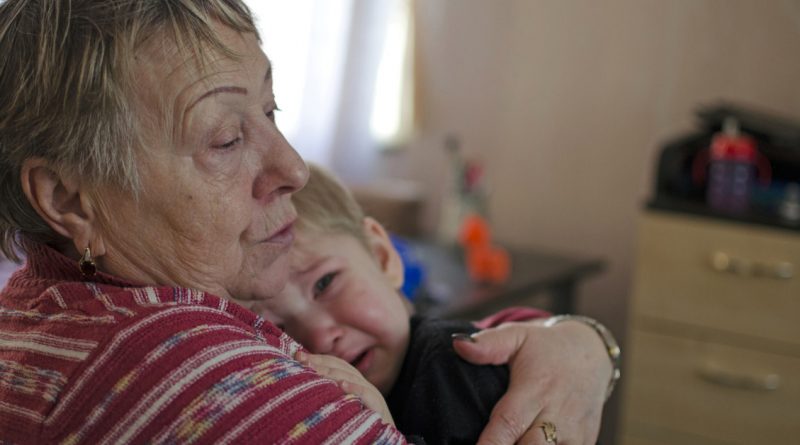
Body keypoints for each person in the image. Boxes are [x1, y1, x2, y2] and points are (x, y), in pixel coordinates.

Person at [0, 1, 616, 443]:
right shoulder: (195, 379)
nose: (293, 166)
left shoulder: (36, 313)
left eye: (272, 109)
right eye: (224, 139)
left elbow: (464, 341)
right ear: (67, 199)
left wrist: (581, 343)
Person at [251, 163, 551, 443]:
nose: (319, 335)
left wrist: (381, 435)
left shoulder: (456, 369)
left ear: (382, 256)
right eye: (276, 327)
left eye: (324, 283)